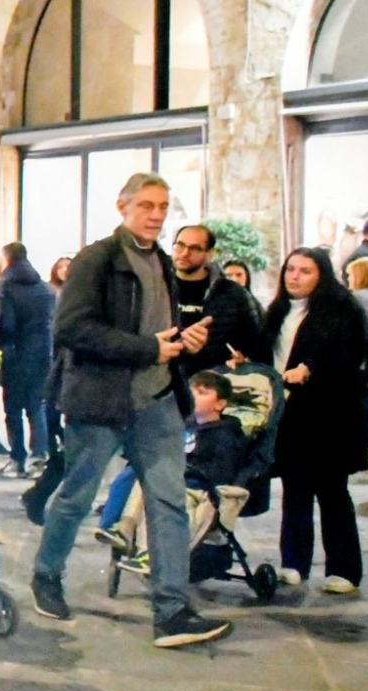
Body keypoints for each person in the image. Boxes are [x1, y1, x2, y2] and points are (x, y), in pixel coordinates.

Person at [28, 172, 233, 648]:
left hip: (157, 400)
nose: (156, 214)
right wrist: (147, 349)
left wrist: (182, 340)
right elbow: (72, 328)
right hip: (102, 402)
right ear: (123, 207)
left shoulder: (161, 261)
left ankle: (172, 610)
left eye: (162, 206)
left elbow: (155, 331)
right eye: (146, 205)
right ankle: (45, 575)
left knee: (168, 503)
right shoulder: (97, 259)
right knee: (77, 496)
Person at [264, 247, 368, 592]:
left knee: (331, 491)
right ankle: (293, 563)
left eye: (305, 271)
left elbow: (348, 355)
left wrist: (311, 368)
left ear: (321, 275)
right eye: (290, 269)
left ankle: (343, 569)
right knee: (294, 490)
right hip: (291, 414)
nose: (294, 276)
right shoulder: (277, 310)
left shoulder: (343, 311)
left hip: (330, 417)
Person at [97, 370, 254, 558]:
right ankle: (120, 527)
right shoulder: (184, 424)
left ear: (220, 404)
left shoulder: (225, 435)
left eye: (202, 393)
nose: (193, 396)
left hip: (198, 486)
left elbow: (220, 473)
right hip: (175, 478)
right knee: (137, 473)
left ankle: (145, 548)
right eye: (191, 391)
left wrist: (178, 471)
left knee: (153, 485)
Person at [0, 242, 56, 475]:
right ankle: (39, 457)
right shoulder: (44, 287)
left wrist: (1, 341)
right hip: (42, 353)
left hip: (17, 353)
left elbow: (6, 324)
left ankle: (17, 458)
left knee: (12, 409)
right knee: (36, 405)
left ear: (7, 258)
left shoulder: (7, 286)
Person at [172, 224, 265, 373]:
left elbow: (257, 342)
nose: (184, 253)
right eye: (179, 246)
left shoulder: (233, 293)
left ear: (210, 253)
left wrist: (243, 356)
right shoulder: (156, 286)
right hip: (160, 380)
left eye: (194, 248)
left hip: (213, 382)